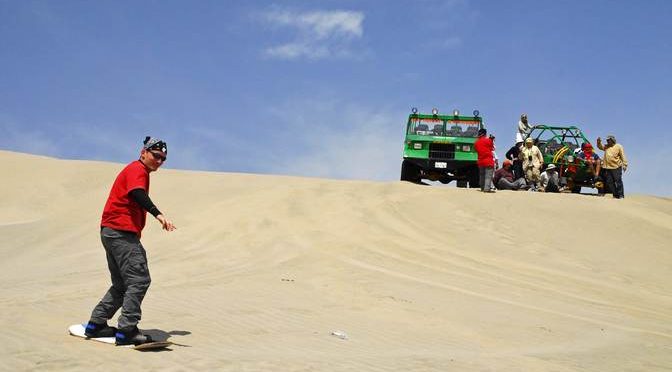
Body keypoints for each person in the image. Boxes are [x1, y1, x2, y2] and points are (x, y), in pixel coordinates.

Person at [84, 137, 176, 346]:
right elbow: (137, 193)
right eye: (156, 156)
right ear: (143, 152)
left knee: (122, 284)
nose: (159, 161)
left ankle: (96, 324)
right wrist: (158, 214)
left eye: (163, 159)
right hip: (121, 232)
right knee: (139, 280)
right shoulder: (137, 170)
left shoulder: (137, 170)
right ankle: (127, 330)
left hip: (111, 231)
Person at [475, 128, 496, 192]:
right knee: (488, 176)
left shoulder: (476, 142)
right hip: (488, 161)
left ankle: (482, 188)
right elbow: (492, 148)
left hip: (480, 161)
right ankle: (486, 189)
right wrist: (491, 140)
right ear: (485, 134)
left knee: (482, 175)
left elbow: (476, 150)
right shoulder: (488, 140)